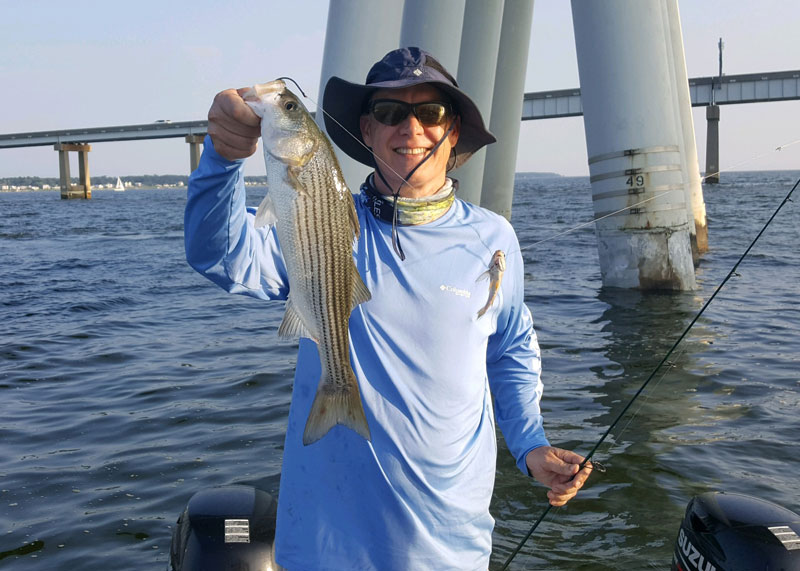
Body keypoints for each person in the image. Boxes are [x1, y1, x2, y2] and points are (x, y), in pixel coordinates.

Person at [185, 47, 592, 570]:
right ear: (367, 130)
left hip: (449, 546)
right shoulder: (324, 222)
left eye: (431, 113)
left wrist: (531, 443)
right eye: (390, 113)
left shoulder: (494, 238)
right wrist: (222, 158)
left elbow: (510, 348)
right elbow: (219, 254)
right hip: (325, 545)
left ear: (453, 132)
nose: (411, 127)